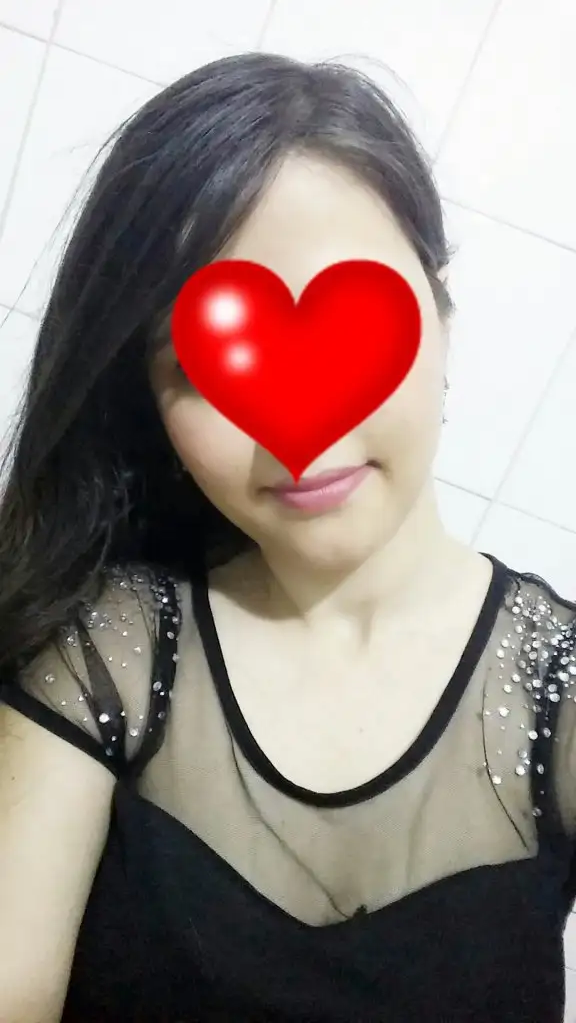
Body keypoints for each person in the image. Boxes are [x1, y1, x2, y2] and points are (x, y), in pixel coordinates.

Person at [0, 51, 575, 1023]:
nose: (296, 425)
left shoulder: (557, 691)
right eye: (206, 367)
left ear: (441, 311)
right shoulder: (107, 652)